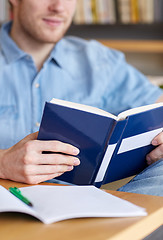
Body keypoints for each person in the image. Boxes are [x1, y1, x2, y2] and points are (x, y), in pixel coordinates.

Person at [0, 0, 163, 195]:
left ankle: (117, 219)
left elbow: (158, 107)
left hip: (84, 209)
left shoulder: (99, 60)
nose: (59, 7)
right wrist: (3, 163)